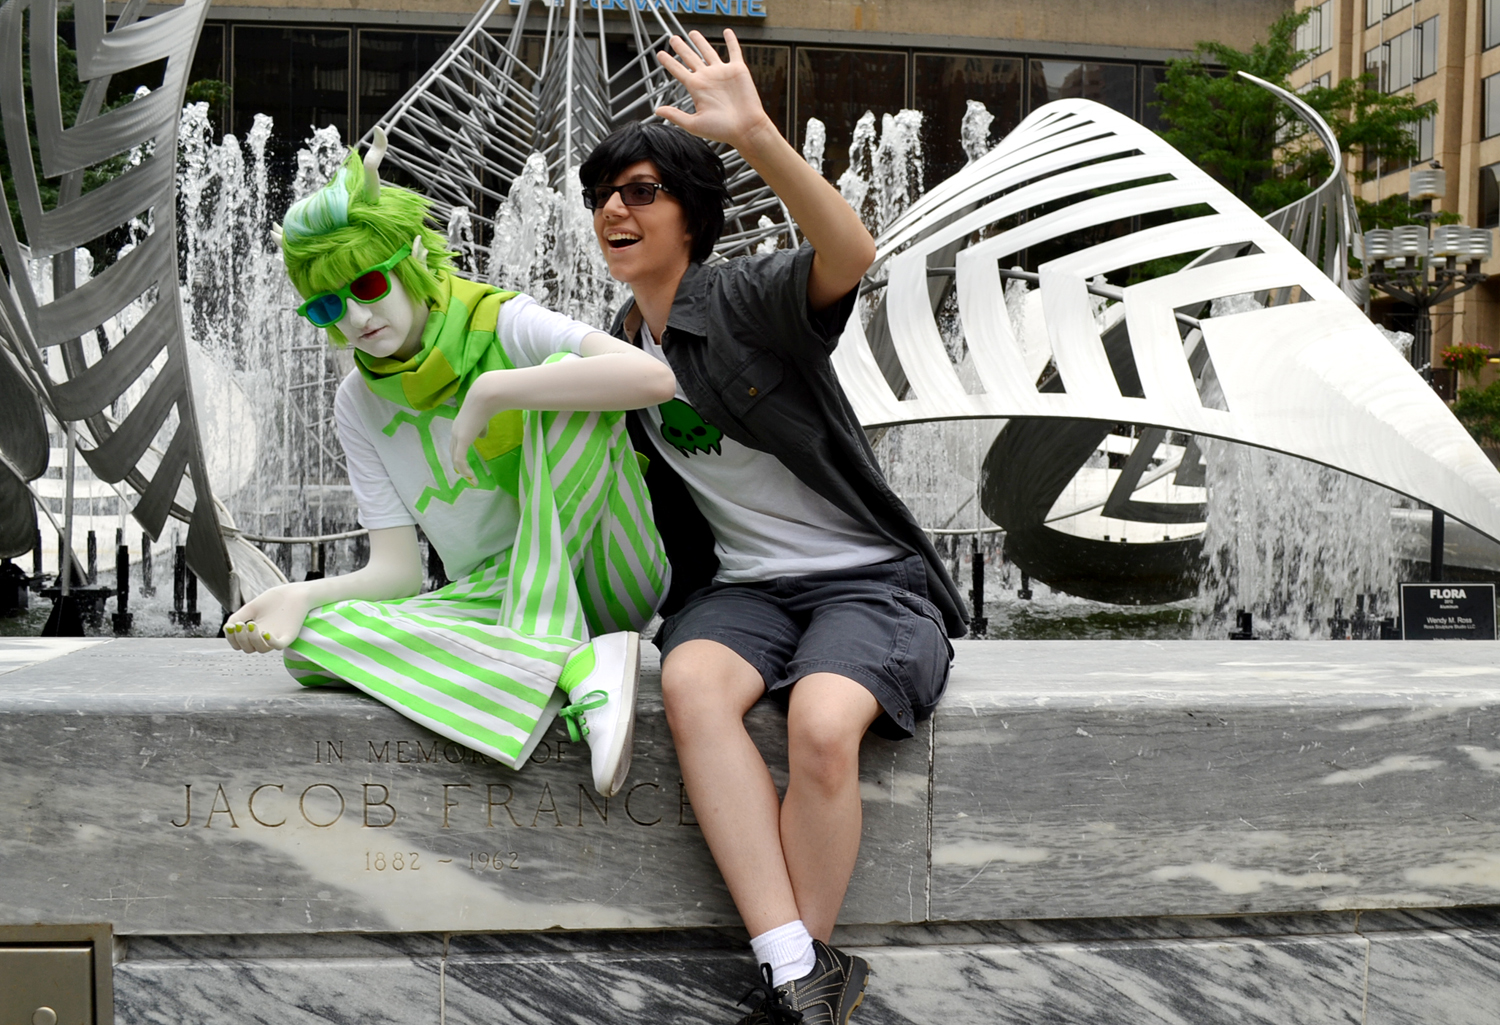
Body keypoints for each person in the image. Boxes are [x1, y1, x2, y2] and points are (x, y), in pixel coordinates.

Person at [580, 30, 967, 1025]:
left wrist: (754, 132)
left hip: (866, 579)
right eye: (602, 195)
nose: (614, 210)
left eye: (641, 192)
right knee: (691, 682)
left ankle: (799, 979)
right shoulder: (615, 348)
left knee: (823, 724)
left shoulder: (745, 299)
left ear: (691, 216)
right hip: (746, 590)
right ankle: (800, 971)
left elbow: (851, 253)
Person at [222, 132, 677, 797]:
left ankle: (545, 653)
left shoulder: (505, 323)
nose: (356, 316)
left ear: (411, 259)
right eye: (328, 305)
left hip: (610, 570)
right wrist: (304, 595)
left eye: (368, 283)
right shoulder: (357, 402)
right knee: (311, 645)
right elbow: (399, 574)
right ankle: (577, 663)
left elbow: (651, 379)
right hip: (499, 597)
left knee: (565, 373)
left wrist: (497, 390)